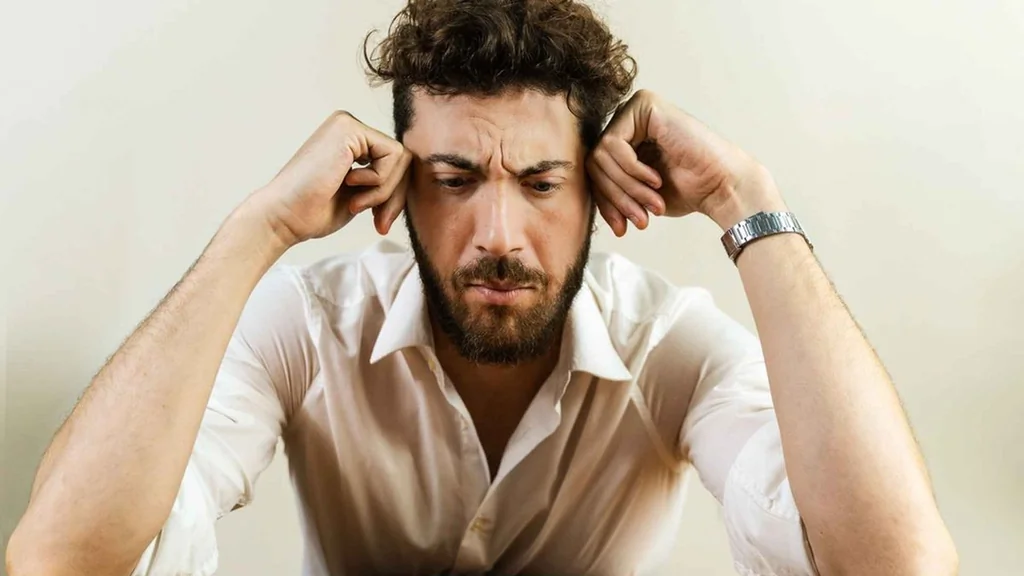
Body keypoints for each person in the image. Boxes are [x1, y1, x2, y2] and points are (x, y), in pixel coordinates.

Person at [7, 1, 958, 575]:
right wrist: (259, 228)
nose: (498, 236)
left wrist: (746, 198)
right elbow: (60, 560)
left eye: (541, 184)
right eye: (456, 180)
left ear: (598, 193)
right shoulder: (307, 328)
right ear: (396, 187)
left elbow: (896, 566)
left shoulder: (671, 348)